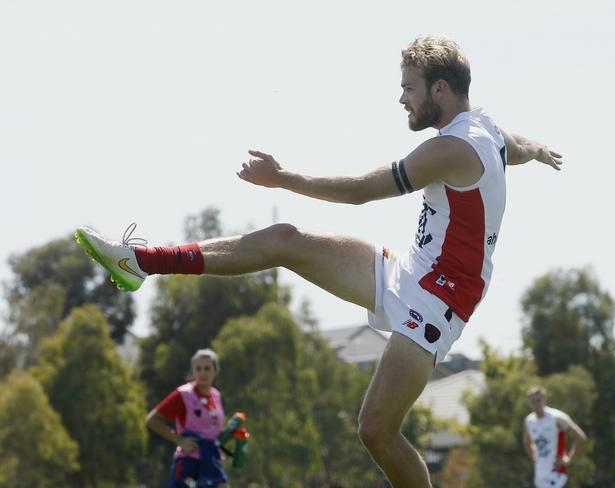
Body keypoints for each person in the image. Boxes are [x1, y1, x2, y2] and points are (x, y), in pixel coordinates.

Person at [76, 35, 562, 487]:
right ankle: (140, 262)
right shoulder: (485, 128)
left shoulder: (448, 148)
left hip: (438, 302)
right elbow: (514, 146)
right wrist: (539, 149)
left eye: (408, 88)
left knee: (376, 430)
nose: (401, 99)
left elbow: (358, 193)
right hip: (410, 270)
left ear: (440, 88)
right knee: (285, 239)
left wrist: (283, 177)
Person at [146, 349, 229, 488]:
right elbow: (152, 420)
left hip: (212, 461)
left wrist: (233, 433)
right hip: (188, 462)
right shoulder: (183, 394)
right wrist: (178, 439)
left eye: (207, 368)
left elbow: (214, 432)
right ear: (193, 371)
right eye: (198, 369)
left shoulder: (217, 396)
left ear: (216, 370)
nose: (202, 372)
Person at [523, 386, 587, 488]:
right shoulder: (529, 421)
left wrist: (569, 459)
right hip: (540, 472)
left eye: (538, 400)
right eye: (533, 401)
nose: (536, 403)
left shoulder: (557, 418)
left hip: (556, 470)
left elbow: (581, 438)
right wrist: (535, 458)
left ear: (545, 400)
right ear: (529, 402)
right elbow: (527, 442)